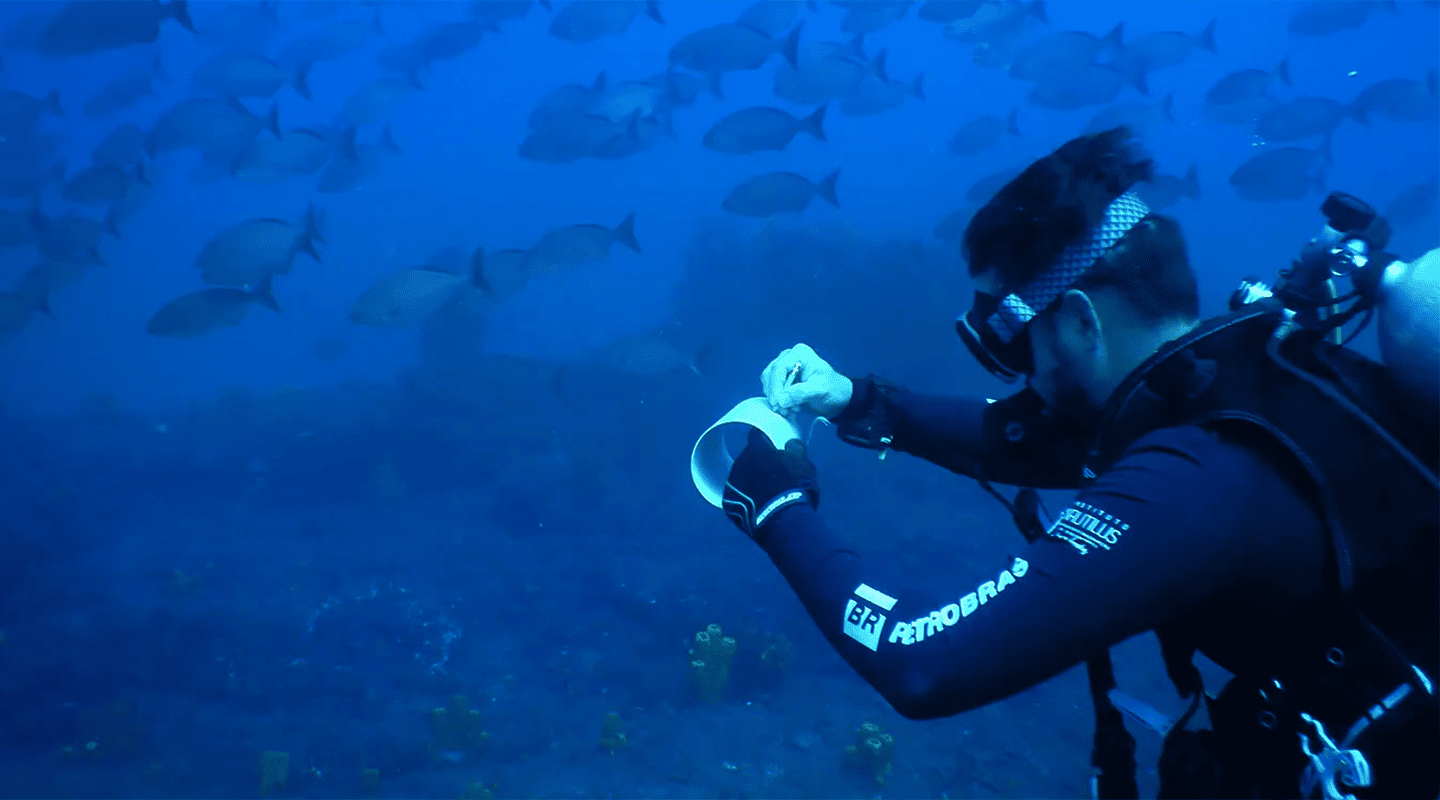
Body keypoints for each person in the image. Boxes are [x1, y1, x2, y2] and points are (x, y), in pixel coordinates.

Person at [718, 127, 1438, 799]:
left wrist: (777, 508)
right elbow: (1044, 439)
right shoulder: (1259, 376)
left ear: (1083, 322)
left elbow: (921, 662)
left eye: (1020, 349)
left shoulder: (1199, 482)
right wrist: (857, 402)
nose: (1022, 381)